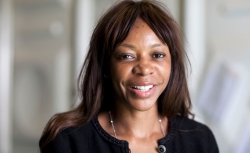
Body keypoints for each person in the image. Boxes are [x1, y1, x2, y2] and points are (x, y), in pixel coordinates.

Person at [39, 0, 219, 152]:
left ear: (173, 64)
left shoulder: (200, 139)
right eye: (127, 56)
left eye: (157, 55)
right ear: (105, 65)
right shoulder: (69, 141)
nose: (144, 69)